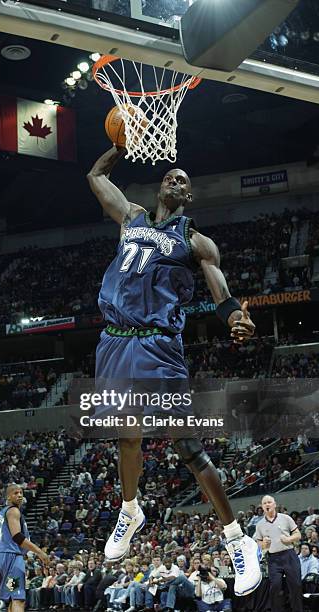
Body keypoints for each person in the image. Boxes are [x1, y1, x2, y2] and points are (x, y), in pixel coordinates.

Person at [87, 145, 262, 597]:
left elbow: (221, 294)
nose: (175, 180)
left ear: (190, 197)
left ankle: (237, 541)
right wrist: (119, 145)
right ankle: (130, 510)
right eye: (170, 175)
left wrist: (234, 318)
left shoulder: (195, 241)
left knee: (186, 444)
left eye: (184, 179)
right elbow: (96, 177)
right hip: (115, 342)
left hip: (158, 346)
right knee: (126, 437)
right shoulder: (131, 217)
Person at [0, 483, 49, 612]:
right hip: (12, 559)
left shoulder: (3, 513)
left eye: (21, 493)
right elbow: (17, 537)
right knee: (18, 598)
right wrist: (40, 552)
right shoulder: (13, 511)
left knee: (13, 597)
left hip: (2, 558)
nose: (19, 496)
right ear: (8, 497)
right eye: (15, 493)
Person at [255, 494, 302, 612]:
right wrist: (263, 543)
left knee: (295, 586)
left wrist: (288, 539)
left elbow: (298, 535)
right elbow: (259, 544)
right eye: (264, 503)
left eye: (269, 502)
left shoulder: (286, 518)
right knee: (275, 587)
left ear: (274, 504)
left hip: (289, 555)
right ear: (262, 506)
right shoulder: (259, 525)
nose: (267, 504)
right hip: (273, 559)